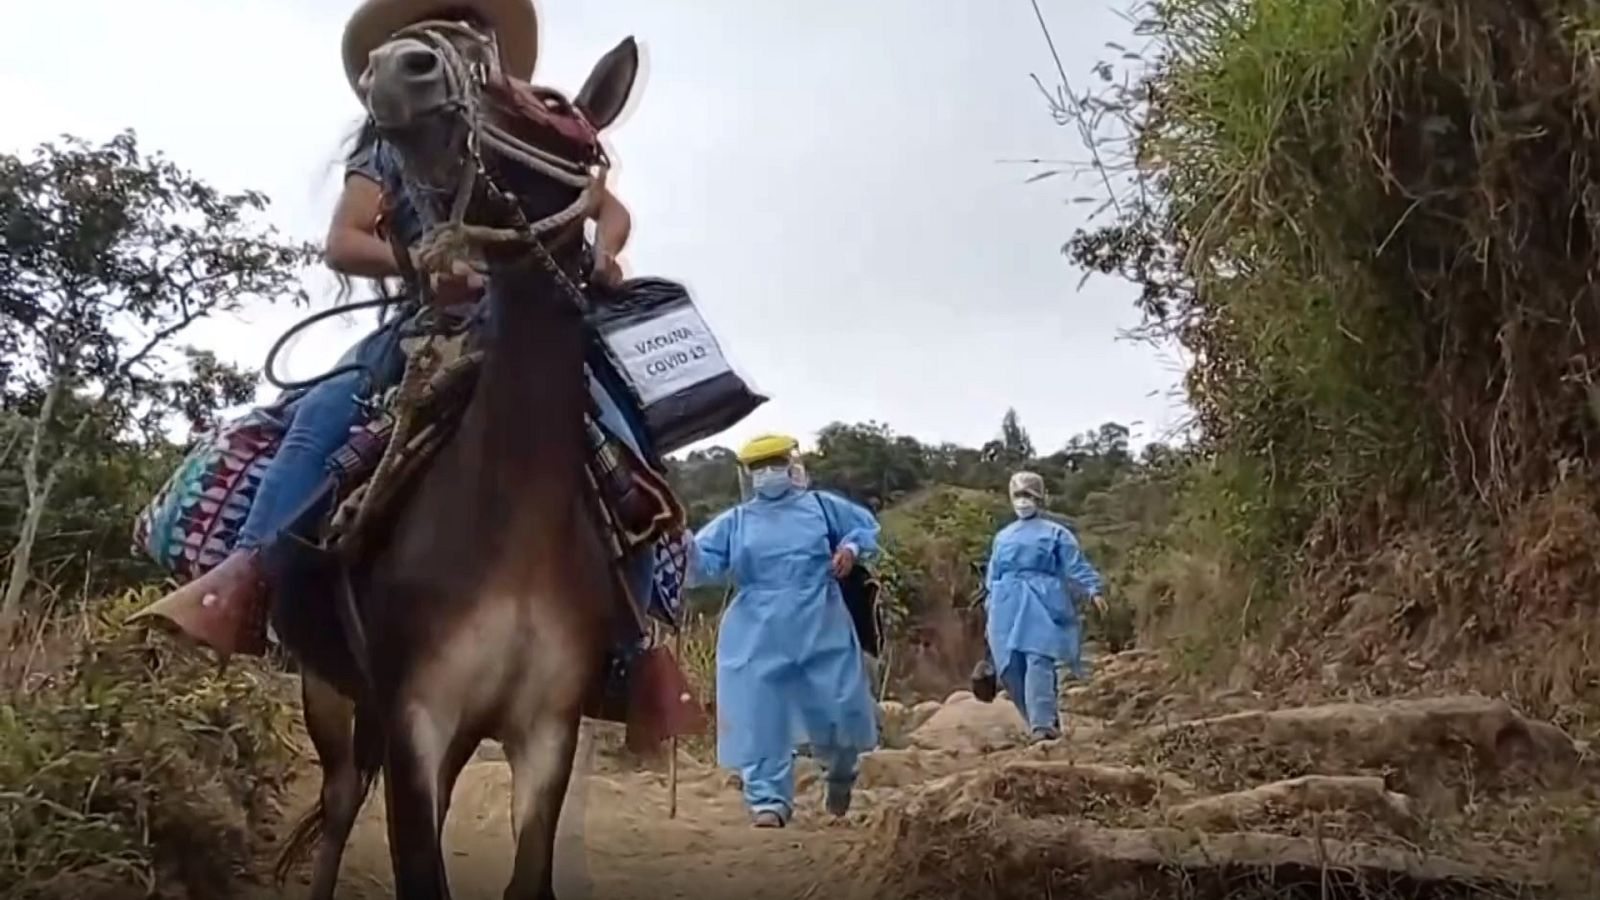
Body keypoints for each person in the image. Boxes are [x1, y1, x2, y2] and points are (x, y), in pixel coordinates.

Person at [130, 0, 637, 657]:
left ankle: (636, 645)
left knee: (629, 445)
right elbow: (343, 243)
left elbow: (607, 206)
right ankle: (246, 584)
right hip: (429, 325)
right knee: (321, 417)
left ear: (487, 50)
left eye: (469, 31)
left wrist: (606, 253)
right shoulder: (383, 147)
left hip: (539, 318)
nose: (451, 42)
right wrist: (419, 261)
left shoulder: (527, 124)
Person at [689, 434, 881, 827]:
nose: (768, 473)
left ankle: (841, 775)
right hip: (757, 627)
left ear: (791, 463)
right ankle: (769, 802)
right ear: (747, 475)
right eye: (758, 467)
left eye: (774, 462)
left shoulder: (822, 507)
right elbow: (700, 563)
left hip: (820, 619)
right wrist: (676, 542)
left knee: (839, 709)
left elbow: (862, 529)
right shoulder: (736, 522)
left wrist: (849, 551)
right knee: (763, 713)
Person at [983, 471, 1106, 742]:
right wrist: (990, 603)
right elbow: (993, 574)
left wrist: (1093, 589)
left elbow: (1074, 564)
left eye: (1028, 495)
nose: (1023, 501)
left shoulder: (1056, 533)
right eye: (1018, 495)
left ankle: (1042, 727)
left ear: (1039, 498)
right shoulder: (1003, 537)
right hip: (1006, 605)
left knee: (1038, 660)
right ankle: (1039, 720)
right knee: (1010, 668)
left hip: (1042, 601)